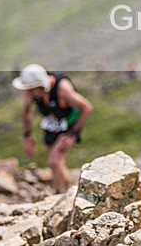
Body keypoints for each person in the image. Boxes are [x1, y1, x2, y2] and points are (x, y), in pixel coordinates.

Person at [12, 64, 93, 193]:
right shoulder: (32, 92)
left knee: (53, 161)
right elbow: (27, 112)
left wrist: (72, 134)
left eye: (30, 89)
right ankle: (64, 189)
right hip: (52, 123)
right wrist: (28, 137)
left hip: (68, 124)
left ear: (39, 85)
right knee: (55, 162)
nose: (27, 93)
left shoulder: (63, 91)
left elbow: (87, 108)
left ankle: (62, 192)